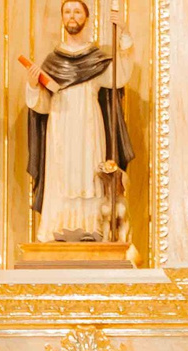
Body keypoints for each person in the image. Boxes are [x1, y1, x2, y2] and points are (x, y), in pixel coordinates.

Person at [26, 0, 137, 244]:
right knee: (61, 174)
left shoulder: (95, 58)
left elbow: (120, 77)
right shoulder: (52, 61)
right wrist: (33, 87)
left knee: (89, 173)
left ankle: (92, 229)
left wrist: (125, 36)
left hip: (89, 125)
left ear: (86, 18)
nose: (72, 16)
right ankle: (57, 230)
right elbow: (42, 106)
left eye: (77, 11)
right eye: (67, 12)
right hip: (60, 126)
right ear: (62, 18)